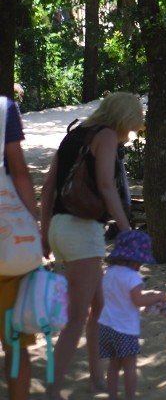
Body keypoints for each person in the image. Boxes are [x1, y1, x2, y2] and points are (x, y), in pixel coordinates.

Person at [40, 92, 141, 399]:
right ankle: (52, 389)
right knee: (76, 319)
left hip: (60, 227)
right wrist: (127, 231)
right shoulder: (106, 136)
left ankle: (96, 380)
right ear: (123, 118)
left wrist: (46, 234)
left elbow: (47, 190)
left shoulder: (73, 136)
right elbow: (108, 186)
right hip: (82, 231)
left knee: (98, 310)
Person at [98, 230, 166, 400]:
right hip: (124, 329)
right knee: (130, 367)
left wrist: (149, 299)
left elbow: (122, 297)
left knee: (113, 365)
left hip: (105, 326)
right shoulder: (132, 277)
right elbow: (138, 301)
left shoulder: (109, 273)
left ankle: (112, 396)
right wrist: (159, 297)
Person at [1, 96, 37, 400]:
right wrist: (34, 226)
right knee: (14, 343)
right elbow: (20, 171)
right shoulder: (4, 109)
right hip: (7, 246)